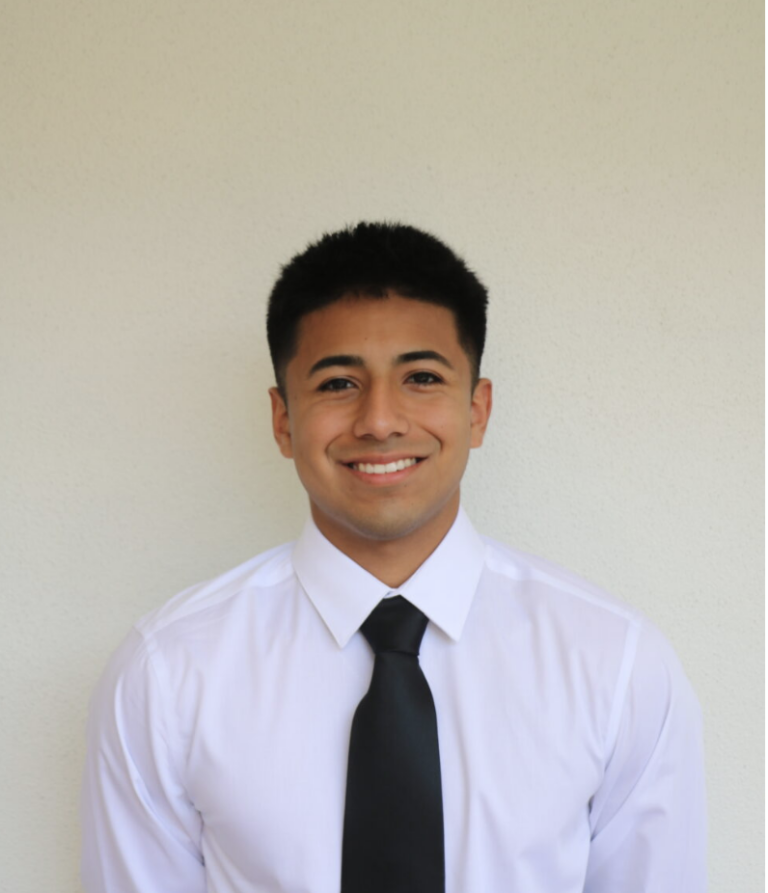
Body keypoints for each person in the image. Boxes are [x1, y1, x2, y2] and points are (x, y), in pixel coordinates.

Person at [81, 222, 707, 892]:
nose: (379, 420)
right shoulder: (168, 673)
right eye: (338, 384)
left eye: (422, 377)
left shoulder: (615, 665)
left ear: (478, 410)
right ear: (284, 420)